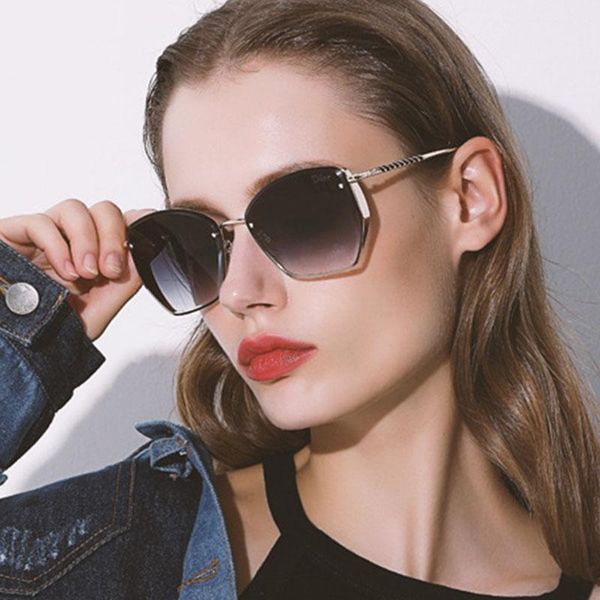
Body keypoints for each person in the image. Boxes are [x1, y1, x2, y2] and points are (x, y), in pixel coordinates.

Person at [0, 0, 598, 598]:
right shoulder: (111, 555)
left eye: (304, 215)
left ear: (469, 197)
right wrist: (17, 337)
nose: (239, 292)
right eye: (197, 241)